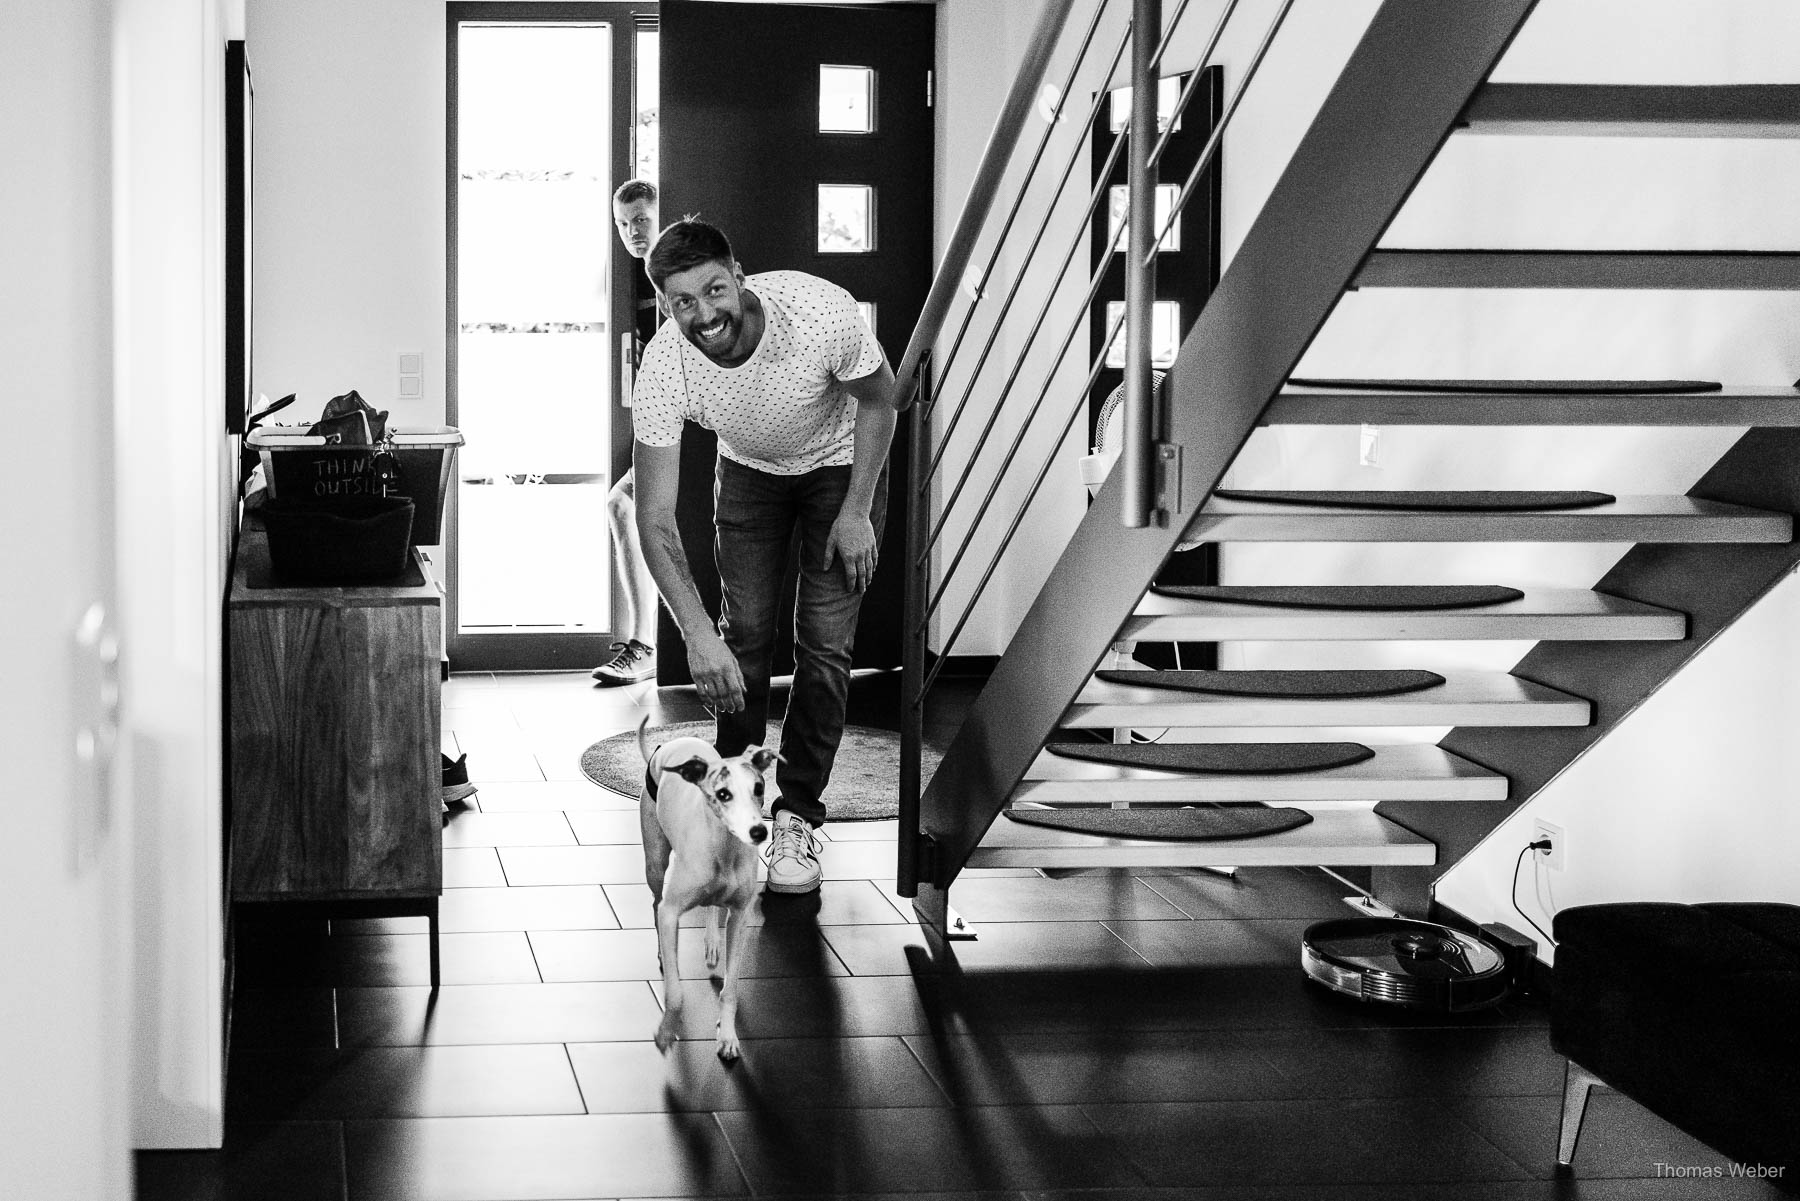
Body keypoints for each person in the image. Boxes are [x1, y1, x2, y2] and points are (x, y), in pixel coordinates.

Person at [632, 218, 899, 894]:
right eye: (681, 302)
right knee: (741, 635)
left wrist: (858, 508)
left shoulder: (814, 312)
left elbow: (880, 398)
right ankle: (736, 799)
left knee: (825, 645)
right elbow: (655, 514)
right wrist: (695, 635)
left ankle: (798, 816)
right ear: (665, 305)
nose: (703, 313)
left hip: (842, 464)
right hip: (749, 469)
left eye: (713, 289)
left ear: (739, 274)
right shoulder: (666, 362)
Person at [591, 179, 663, 685]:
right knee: (623, 508)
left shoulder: (675, 274)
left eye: (641, 220)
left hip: (691, 424)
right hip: (653, 423)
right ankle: (647, 644)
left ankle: (646, 646)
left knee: (623, 506)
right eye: (623, 224)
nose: (633, 232)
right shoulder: (627, 277)